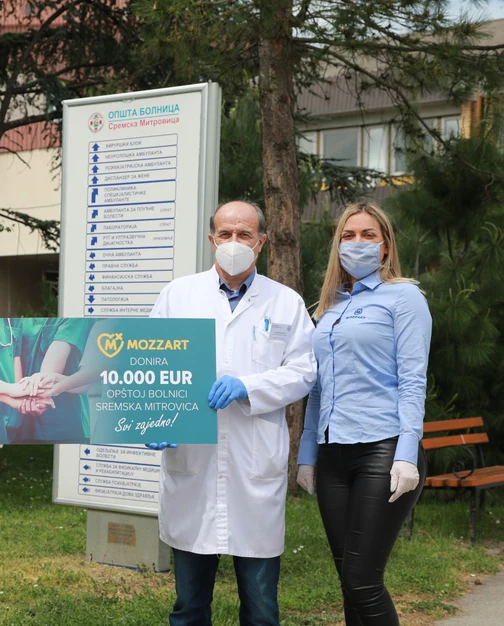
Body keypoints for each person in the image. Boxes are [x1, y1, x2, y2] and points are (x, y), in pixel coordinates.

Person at [149, 200, 318, 626]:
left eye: (244, 234)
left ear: (261, 242)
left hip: (253, 470)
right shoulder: (178, 295)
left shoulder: (286, 302)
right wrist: (153, 418)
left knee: (261, 611)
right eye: (225, 234)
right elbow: (151, 366)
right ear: (212, 240)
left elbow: (304, 372)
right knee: (189, 608)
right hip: (193, 467)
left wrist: (250, 387)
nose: (234, 242)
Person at [296, 202, 432, 626]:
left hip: (383, 450)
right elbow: (318, 387)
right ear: (337, 246)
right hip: (333, 454)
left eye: (368, 235)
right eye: (348, 235)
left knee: (362, 581)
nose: (357, 242)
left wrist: (407, 454)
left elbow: (413, 380)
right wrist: (307, 454)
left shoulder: (404, 297)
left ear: (385, 247)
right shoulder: (328, 306)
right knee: (348, 582)